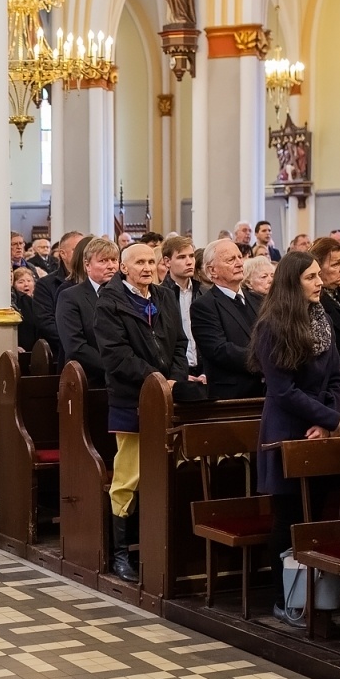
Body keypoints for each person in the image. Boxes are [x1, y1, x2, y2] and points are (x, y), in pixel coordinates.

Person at [94, 241, 204, 582]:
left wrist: (173, 378)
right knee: (129, 476)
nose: (146, 267)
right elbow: (115, 355)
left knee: (166, 473)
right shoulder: (110, 303)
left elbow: (180, 342)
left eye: (150, 261)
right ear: (124, 268)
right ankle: (121, 553)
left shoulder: (163, 297)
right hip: (132, 399)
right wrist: (156, 381)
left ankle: (160, 544)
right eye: (138, 262)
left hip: (167, 395)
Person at [250, 252, 340, 627]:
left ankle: (314, 596)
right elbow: (283, 390)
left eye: (319, 275)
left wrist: (326, 422)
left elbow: (336, 377)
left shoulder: (323, 318)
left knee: (316, 515)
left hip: (316, 431)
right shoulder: (273, 325)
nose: (320, 281)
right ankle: (283, 598)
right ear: (293, 283)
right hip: (286, 431)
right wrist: (329, 417)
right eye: (311, 277)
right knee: (288, 519)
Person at [192, 238, 263, 400]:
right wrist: (263, 361)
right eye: (231, 260)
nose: (239, 263)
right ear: (212, 271)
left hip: (266, 391)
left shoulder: (258, 300)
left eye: (240, 257)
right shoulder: (204, 306)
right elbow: (219, 350)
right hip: (232, 395)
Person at [56, 237, 118, 387]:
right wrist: (115, 367)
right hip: (88, 380)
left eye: (114, 260)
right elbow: (75, 346)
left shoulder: (126, 295)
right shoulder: (70, 297)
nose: (111, 266)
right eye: (103, 261)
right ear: (87, 265)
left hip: (124, 380)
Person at [33, 231, 84, 354]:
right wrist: (75, 341)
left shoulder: (95, 280)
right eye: (77, 250)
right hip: (62, 349)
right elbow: (46, 323)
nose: (83, 255)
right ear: (62, 254)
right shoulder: (46, 284)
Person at [160, 235, 203, 377]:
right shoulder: (159, 296)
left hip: (205, 372)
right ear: (167, 261)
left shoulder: (204, 293)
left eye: (191, 256)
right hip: (175, 373)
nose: (189, 262)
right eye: (181, 257)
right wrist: (179, 374)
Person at [12, 267, 39, 352]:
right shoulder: (16, 302)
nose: (26, 284)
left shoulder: (37, 302)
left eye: (29, 281)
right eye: (21, 282)